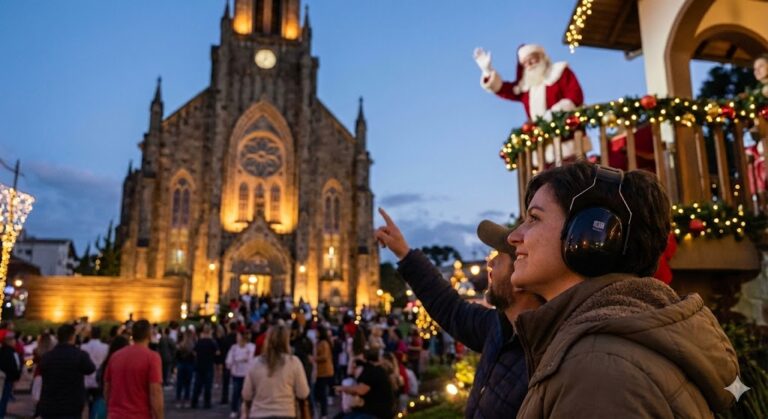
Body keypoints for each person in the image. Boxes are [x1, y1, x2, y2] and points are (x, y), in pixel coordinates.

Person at [505, 161, 740, 417]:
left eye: (534, 218)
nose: (513, 236)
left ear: (593, 234)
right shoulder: (609, 348)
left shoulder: (598, 371)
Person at [375, 208, 543, 418]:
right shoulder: (499, 328)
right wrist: (405, 254)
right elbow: (451, 308)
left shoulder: (545, 359)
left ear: (520, 277)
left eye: (498, 258)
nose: (489, 264)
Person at [474, 44, 589, 164]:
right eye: (525, 62)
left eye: (531, 59)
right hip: (541, 151)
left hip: (568, 143)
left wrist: (554, 113)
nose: (529, 64)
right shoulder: (526, 87)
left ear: (541, 57)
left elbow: (575, 95)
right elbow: (504, 89)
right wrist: (487, 71)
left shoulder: (559, 72)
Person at [242, 321, 310, 419]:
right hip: (286, 412)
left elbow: (246, 394)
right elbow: (303, 393)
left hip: (259, 413)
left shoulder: (255, 363)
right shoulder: (293, 362)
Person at [104, 319, 164, 419]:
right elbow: (155, 392)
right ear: (149, 335)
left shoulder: (115, 356)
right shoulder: (152, 357)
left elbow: (107, 388)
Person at [335, 348, 395, 419]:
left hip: (377, 413)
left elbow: (360, 390)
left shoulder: (372, 372)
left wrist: (342, 388)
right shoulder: (377, 370)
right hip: (371, 410)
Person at [225, 330, 255, 418]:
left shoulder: (251, 347)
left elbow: (250, 359)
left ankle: (246, 410)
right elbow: (229, 360)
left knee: (247, 394)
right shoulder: (234, 348)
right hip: (236, 374)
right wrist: (230, 364)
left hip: (247, 374)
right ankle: (234, 409)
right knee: (236, 392)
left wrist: (238, 360)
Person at [81, 326, 109, 419]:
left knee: (85, 406)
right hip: (99, 381)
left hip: (86, 380)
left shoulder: (83, 347)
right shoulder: (106, 347)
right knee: (98, 405)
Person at [191, 324, 219, 409]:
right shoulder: (212, 342)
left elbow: (194, 352)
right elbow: (218, 352)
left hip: (199, 365)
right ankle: (207, 403)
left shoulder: (199, 341)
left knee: (197, 386)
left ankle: (194, 403)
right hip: (208, 366)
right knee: (208, 386)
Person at [314, 326, 335, 419]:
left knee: (322, 393)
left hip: (324, 371)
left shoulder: (323, 343)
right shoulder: (321, 343)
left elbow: (324, 357)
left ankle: (324, 413)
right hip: (321, 371)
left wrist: (314, 359)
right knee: (320, 392)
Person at [0, 331, 22, 417]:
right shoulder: (12, 353)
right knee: (3, 401)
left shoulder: (1, 351)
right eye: (13, 340)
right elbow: (15, 367)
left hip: (3, 378)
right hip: (7, 380)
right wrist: (16, 377)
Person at [174, 329, 196, 408]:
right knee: (188, 384)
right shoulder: (193, 345)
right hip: (189, 365)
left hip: (181, 365)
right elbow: (194, 357)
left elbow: (176, 356)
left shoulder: (180, 345)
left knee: (179, 384)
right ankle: (187, 400)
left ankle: (178, 400)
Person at [218, 322, 238, 405]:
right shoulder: (237, 338)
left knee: (226, 382)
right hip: (237, 362)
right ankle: (236, 399)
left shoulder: (225, 338)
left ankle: (224, 398)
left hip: (227, 362)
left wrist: (221, 362)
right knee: (236, 382)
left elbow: (222, 351)